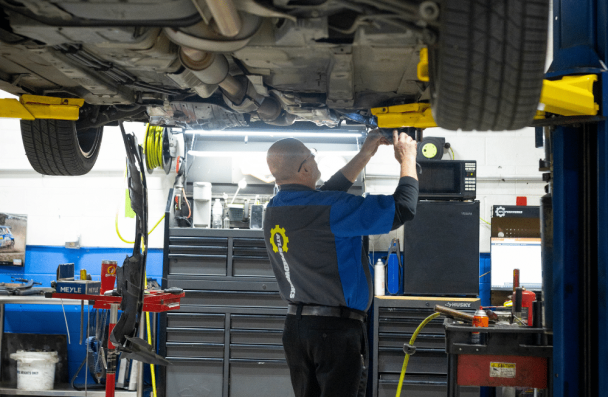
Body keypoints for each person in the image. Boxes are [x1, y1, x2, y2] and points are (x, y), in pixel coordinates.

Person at [263, 129, 419, 397]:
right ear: (304, 169)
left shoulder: (275, 207)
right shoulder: (332, 209)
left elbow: (326, 194)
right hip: (334, 333)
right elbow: (403, 208)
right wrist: (407, 159)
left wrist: (365, 153)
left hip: (296, 331)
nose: (315, 160)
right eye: (311, 156)